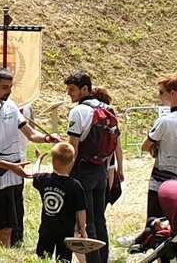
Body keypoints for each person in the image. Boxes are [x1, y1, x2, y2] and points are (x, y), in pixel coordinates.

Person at [0, 67, 59, 247]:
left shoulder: (11, 106)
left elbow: (31, 134)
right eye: (4, 87)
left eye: (10, 87)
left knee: (10, 228)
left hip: (14, 177)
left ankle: (1, 255)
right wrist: (11, 166)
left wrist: (48, 138)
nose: (9, 91)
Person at [64, 71, 116, 263]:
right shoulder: (107, 108)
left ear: (85, 89)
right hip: (101, 169)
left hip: (83, 171)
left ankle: (93, 261)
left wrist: (65, 175)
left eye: (72, 89)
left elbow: (73, 148)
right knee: (100, 219)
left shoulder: (78, 111)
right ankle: (103, 258)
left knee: (87, 222)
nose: (69, 93)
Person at [141, 73, 177, 220]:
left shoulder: (165, 121)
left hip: (162, 183)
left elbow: (145, 146)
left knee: (155, 223)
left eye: (161, 92)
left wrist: (155, 147)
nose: (159, 96)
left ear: (173, 93)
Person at [33, 143, 88, 262]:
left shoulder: (44, 179)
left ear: (52, 161)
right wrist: (82, 229)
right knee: (64, 260)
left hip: (46, 230)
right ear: (72, 162)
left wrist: (39, 160)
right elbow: (81, 210)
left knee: (42, 259)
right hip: (66, 233)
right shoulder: (75, 186)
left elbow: (34, 174)